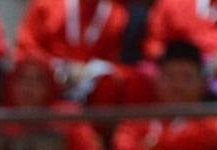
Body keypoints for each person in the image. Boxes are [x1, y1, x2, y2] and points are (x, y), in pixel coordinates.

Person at [15, 0, 154, 104]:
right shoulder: (46, 6)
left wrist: (93, 71)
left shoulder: (119, 15)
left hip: (97, 94)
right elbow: (26, 49)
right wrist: (58, 68)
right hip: (49, 86)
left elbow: (126, 64)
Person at [113, 41, 217, 150]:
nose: (177, 85)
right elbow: (123, 149)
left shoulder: (214, 121)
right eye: (170, 76)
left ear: (203, 83)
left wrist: (152, 147)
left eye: (187, 77)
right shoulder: (137, 121)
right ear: (157, 81)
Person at [0, 54, 103, 150]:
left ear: (50, 85)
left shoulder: (68, 119)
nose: (29, 86)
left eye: (38, 80)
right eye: (22, 78)